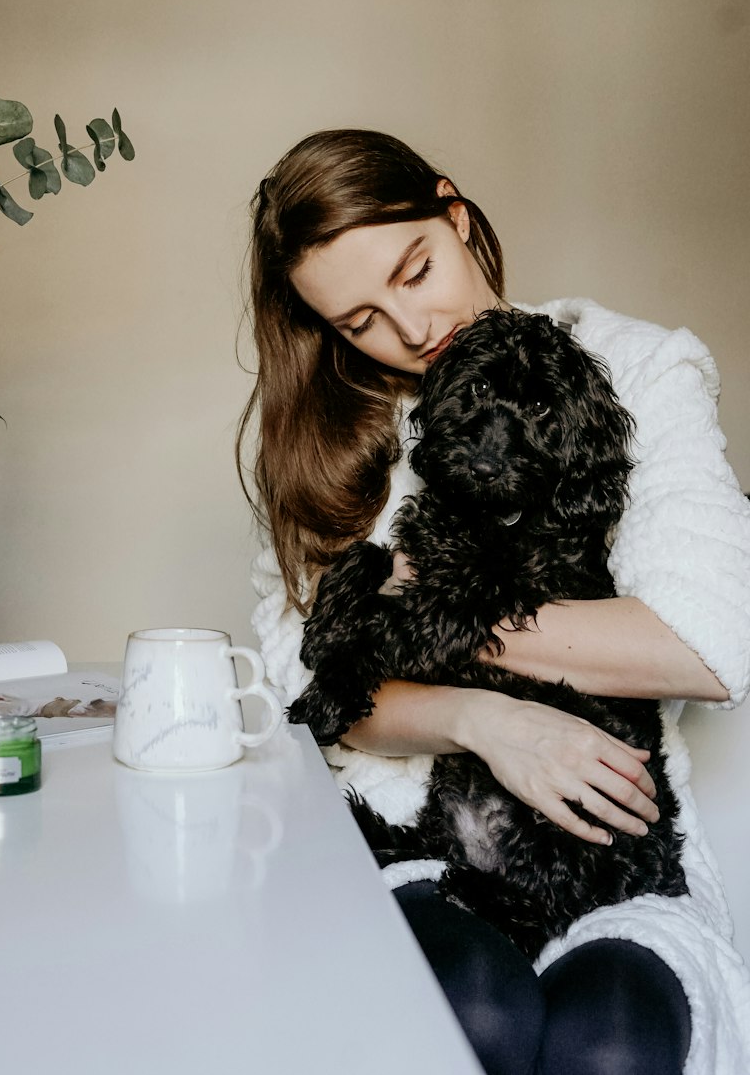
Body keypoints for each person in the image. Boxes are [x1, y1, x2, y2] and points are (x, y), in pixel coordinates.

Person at [240, 128, 750, 1075]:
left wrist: (432, 618)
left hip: (607, 835)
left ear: (456, 213)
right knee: (471, 1015)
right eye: (358, 321)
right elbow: (308, 697)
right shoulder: (326, 454)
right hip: (404, 844)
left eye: (416, 269)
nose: (411, 328)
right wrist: (484, 720)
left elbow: (708, 643)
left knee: (613, 1047)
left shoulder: (633, 367)